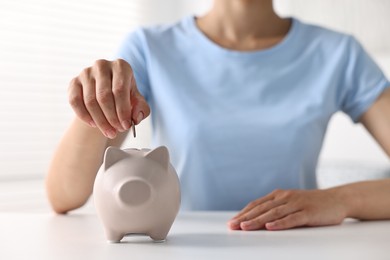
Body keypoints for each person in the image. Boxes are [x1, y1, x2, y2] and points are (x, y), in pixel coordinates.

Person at [46, 0, 390, 231]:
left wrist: (340, 199)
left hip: (293, 245)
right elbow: (64, 195)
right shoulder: (149, 47)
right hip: (181, 244)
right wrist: (96, 102)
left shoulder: (338, 53)